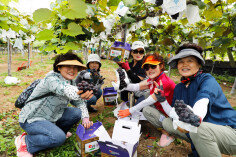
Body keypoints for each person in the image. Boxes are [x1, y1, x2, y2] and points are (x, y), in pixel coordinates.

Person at [159, 43, 236, 156]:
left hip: (230, 132)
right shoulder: (179, 87)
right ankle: (199, 150)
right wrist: (162, 100)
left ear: (199, 64)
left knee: (198, 129)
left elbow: (203, 100)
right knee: (167, 122)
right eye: (181, 61)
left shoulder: (207, 80)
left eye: (190, 60)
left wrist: (196, 117)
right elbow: (175, 112)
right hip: (204, 130)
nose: (184, 64)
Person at [15, 52, 94, 157]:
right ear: (59, 68)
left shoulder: (71, 82)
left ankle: (56, 131)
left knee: (76, 113)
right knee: (58, 138)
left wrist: (85, 118)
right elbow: (64, 89)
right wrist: (80, 93)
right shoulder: (51, 79)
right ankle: (26, 141)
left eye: (75, 67)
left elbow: (79, 102)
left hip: (50, 117)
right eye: (68, 66)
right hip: (32, 119)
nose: (72, 70)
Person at [118, 52, 176, 147]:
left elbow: (148, 101)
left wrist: (130, 110)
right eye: (147, 67)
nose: (150, 70)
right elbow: (137, 86)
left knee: (146, 110)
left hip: (171, 115)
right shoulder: (155, 78)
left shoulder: (163, 82)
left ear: (161, 66)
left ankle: (168, 132)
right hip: (162, 107)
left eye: (153, 66)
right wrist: (124, 86)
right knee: (147, 94)